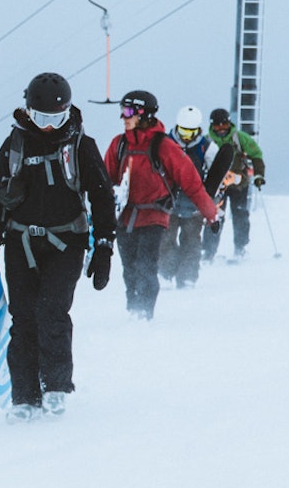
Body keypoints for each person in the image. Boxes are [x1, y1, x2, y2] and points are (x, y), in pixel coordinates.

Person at [0, 73, 116, 422]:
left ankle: (56, 386)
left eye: (56, 119)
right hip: (20, 242)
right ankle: (25, 395)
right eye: (41, 119)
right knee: (23, 316)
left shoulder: (81, 146)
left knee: (52, 311)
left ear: (68, 112)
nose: (48, 127)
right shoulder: (14, 146)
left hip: (67, 242)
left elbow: (103, 198)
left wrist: (103, 247)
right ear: (28, 112)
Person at [104, 91, 219, 320]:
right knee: (129, 268)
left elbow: (192, 182)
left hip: (154, 216)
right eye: (122, 110)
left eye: (128, 111)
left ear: (144, 114)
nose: (123, 116)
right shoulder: (119, 145)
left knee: (146, 265)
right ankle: (133, 308)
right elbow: (104, 182)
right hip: (124, 217)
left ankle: (144, 313)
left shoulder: (163, 146)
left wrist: (211, 213)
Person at [158, 106, 218, 289]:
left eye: (191, 132)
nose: (186, 137)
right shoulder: (166, 144)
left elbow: (216, 173)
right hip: (169, 203)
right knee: (164, 239)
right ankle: (168, 270)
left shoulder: (207, 147)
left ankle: (187, 277)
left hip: (194, 204)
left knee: (191, 241)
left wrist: (211, 200)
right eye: (183, 131)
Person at [202, 108, 266, 261]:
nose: (221, 129)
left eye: (224, 125)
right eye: (217, 126)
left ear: (229, 123)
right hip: (217, 187)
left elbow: (256, 154)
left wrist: (259, 175)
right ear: (212, 126)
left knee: (240, 215)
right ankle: (209, 252)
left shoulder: (240, 138)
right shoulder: (207, 141)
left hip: (239, 184)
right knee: (214, 217)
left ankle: (240, 248)